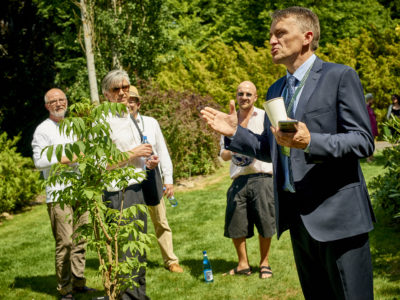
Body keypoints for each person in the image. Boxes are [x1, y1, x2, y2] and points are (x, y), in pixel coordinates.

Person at [201, 6, 375, 300]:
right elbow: (271, 149)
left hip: (339, 218)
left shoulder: (339, 76)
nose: (272, 40)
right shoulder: (275, 89)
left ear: (307, 37)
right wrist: (235, 133)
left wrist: (311, 141)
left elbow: (362, 141)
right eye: (270, 35)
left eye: (280, 33)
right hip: (298, 218)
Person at [32, 88, 95, 300]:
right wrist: (65, 158)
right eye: (53, 101)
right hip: (59, 193)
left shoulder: (75, 126)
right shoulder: (43, 130)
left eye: (62, 100)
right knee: (66, 242)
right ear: (46, 106)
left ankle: (78, 283)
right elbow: (39, 161)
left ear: (67, 102)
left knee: (80, 240)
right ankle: (65, 289)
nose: (59, 104)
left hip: (80, 189)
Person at [102, 70, 158, 300]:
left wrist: (148, 161)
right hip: (119, 192)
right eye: (117, 89)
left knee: (138, 248)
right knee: (126, 251)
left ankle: (138, 295)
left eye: (126, 87)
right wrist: (134, 152)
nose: (123, 92)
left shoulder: (127, 116)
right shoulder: (101, 120)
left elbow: (136, 154)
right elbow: (102, 163)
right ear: (106, 94)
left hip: (137, 188)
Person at [220, 81, 275, 278]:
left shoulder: (264, 117)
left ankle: (264, 263)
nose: (244, 97)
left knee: (265, 222)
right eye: (241, 93)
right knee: (236, 224)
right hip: (239, 179)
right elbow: (223, 154)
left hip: (262, 177)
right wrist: (233, 147)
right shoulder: (229, 119)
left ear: (256, 97)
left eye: (248, 94)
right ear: (236, 96)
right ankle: (243, 264)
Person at [126, 85, 183, 273]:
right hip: (130, 177)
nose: (129, 103)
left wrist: (168, 179)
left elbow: (163, 151)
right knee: (133, 223)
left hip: (151, 175)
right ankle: (135, 261)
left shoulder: (151, 122)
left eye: (132, 100)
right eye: (126, 100)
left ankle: (171, 260)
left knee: (160, 220)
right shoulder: (119, 126)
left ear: (139, 104)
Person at [365, 93, 378, 162]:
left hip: (373, 127)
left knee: (372, 142)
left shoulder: (370, 107)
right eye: (372, 98)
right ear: (369, 99)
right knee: (368, 142)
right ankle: (368, 158)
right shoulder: (366, 107)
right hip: (369, 128)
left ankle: (371, 156)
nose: (373, 100)